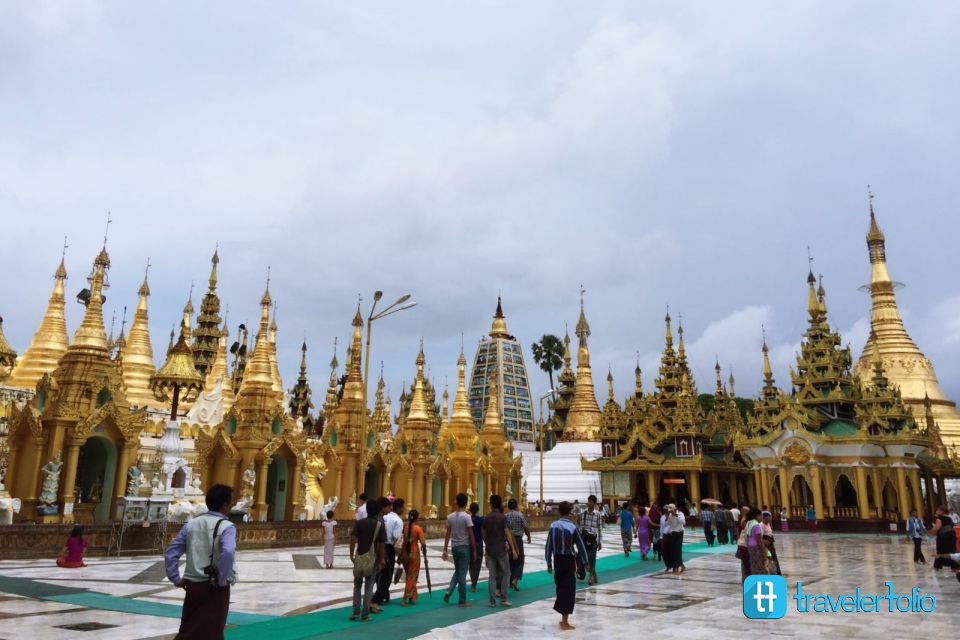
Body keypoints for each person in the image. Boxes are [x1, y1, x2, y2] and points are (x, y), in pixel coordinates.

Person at [164, 484, 237, 639]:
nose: (232, 504)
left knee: (188, 629)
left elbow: (171, 552)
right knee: (212, 631)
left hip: (193, 586)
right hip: (215, 587)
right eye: (231, 501)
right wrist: (222, 580)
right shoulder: (227, 527)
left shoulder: (191, 524)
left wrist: (175, 578)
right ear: (224, 504)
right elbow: (228, 552)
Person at [546, 501, 588, 631]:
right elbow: (580, 545)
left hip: (558, 560)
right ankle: (565, 621)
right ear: (569, 512)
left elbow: (549, 546)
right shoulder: (572, 527)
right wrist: (586, 562)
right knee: (569, 589)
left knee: (560, 587)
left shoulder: (553, 526)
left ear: (559, 511)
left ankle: (562, 616)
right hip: (569, 560)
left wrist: (548, 562)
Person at [349, 496, 387, 621]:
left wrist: (351, 553)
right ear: (377, 511)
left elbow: (353, 538)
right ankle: (365, 614)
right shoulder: (379, 525)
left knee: (357, 585)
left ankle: (355, 611)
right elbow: (381, 544)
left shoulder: (359, 523)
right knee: (369, 586)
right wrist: (381, 559)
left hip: (360, 555)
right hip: (372, 558)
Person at [481, 493, 517, 608]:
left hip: (490, 549)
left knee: (492, 576)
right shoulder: (503, 517)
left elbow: (483, 533)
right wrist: (513, 549)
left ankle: (492, 601)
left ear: (491, 505)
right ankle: (503, 598)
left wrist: (487, 543)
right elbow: (507, 533)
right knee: (506, 573)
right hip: (501, 549)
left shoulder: (487, 517)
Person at [442, 492, 477, 607]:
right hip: (464, 547)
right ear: (466, 503)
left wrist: (445, 549)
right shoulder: (467, 517)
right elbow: (471, 535)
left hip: (455, 547)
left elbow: (447, 534)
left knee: (458, 571)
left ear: (456, 502)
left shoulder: (450, 516)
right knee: (462, 574)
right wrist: (475, 549)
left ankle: (449, 591)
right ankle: (462, 600)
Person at [372, 497, 404, 609]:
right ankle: (375, 600)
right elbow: (396, 539)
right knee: (387, 576)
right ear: (399, 508)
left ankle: (384, 594)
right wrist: (400, 555)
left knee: (379, 573)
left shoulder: (383, 517)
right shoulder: (398, 521)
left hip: (378, 546)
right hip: (388, 547)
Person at [399, 509, 426, 606]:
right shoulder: (418, 528)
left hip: (406, 553)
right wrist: (425, 554)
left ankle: (412, 596)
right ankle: (405, 598)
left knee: (409, 575)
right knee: (412, 576)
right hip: (414, 552)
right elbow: (423, 543)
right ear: (416, 517)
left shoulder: (405, 527)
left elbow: (403, 541)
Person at [505, 498, 531, 591]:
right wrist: (529, 536)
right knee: (520, 559)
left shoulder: (505, 516)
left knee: (510, 560)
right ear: (516, 506)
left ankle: (510, 580)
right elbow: (525, 527)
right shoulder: (520, 515)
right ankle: (515, 579)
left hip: (508, 539)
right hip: (518, 539)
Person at [578, 494, 604, 584]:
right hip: (584, 539)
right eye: (588, 501)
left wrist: (600, 542)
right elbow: (580, 527)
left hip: (593, 539)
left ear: (594, 503)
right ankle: (593, 575)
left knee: (592, 558)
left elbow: (600, 528)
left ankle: (591, 577)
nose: (589, 503)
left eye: (591, 502)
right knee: (585, 558)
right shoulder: (583, 513)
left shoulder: (598, 514)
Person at [468, 502, 485, 592]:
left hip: (469, 543)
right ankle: (474, 584)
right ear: (478, 510)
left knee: (471, 563)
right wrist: (486, 542)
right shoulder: (481, 520)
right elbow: (482, 532)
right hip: (478, 543)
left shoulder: (468, 519)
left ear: (470, 510)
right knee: (478, 564)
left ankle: (472, 581)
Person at [666, 503, 686, 573]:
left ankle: (679, 566)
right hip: (673, 533)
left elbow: (683, 522)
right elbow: (667, 524)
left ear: (675, 509)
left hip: (680, 533)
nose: (671, 512)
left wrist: (677, 516)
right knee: (674, 550)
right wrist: (666, 517)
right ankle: (680, 566)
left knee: (678, 550)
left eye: (671, 510)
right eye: (670, 511)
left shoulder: (680, 514)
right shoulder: (670, 515)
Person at [760, 510, 781, 575]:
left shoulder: (768, 524)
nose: (769, 520)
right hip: (765, 545)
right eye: (768, 518)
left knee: (773, 558)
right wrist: (764, 543)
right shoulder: (760, 525)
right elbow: (760, 537)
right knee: (768, 558)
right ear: (764, 518)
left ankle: (776, 573)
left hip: (771, 544)